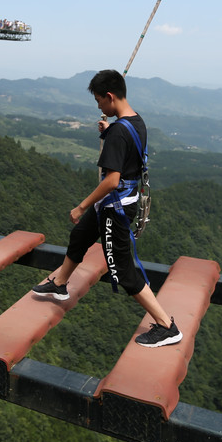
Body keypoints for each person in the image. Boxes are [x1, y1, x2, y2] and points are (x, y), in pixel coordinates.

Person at [32, 70, 182, 348]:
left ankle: (166, 325)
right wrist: (108, 133)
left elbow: (112, 180)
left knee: (124, 271)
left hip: (115, 208)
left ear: (110, 97)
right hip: (120, 202)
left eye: (100, 101)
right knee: (80, 237)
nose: (99, 106)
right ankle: (60, 283)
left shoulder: (118, 133)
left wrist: (81, 206)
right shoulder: (135, 123)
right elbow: (125, 159)